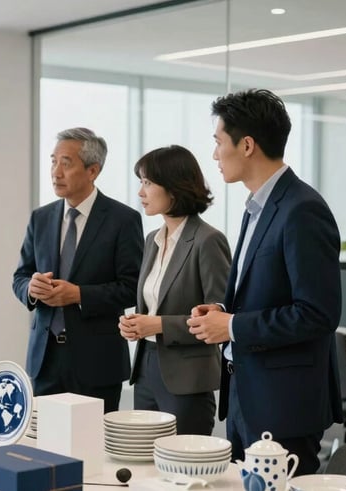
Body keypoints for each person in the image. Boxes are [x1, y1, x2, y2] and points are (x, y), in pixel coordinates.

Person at [187, 89, 342, 475]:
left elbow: (318, 314)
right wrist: (223, 313)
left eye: (219, 142)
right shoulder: (257, 207)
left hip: (284, 406)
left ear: (248, 145)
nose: (214, 154)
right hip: (247, 395)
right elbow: (267, 292)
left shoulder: (302, 209)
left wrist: (234, 326)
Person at [12, 127, 143, 413]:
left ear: (92, 170)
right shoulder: (41, 217)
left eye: (66, 163)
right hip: (45, 360)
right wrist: (30, 290)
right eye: (53, 161)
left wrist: (79, 295)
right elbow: (20, 276)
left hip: (97, 363)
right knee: (44, 448)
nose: (55, 172)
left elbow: (132, 288)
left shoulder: (123, 220)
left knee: (95, 451)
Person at [118, 145, 231, 435]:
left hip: (187, 378)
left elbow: (219, 320)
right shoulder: (151, 239)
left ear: (174, 187)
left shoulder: (208, 241)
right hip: (145, 370)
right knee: (142, 463)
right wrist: (135, 324)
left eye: (147, 183)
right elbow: (152, 304)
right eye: (140, 183)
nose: (141, 192)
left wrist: (156, 325)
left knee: (180, 468)